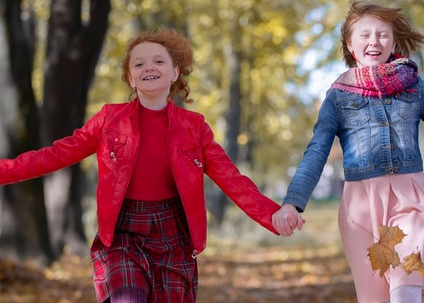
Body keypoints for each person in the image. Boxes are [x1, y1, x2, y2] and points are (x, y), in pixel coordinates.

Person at [0, 28, 283, 302]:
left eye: (159, 61)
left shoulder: (194, 127)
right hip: (122, 232)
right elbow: (53, 155)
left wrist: (273, 215)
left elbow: (232, 179)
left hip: (174, 235)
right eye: (139, 63)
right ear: (131, 78)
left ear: (174, 73)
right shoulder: (109, 120)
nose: (149, 67)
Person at [272, 2, 424, 303]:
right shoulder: (338, 96)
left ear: (393, 42)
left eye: (382, 35)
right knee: (374, 296)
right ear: (350, 44)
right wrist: (292, 204)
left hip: (410, 196)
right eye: (365, 35)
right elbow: (317, 151)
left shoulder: (413, 86)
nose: (374, 41)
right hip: (360, 206)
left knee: (406, 272)